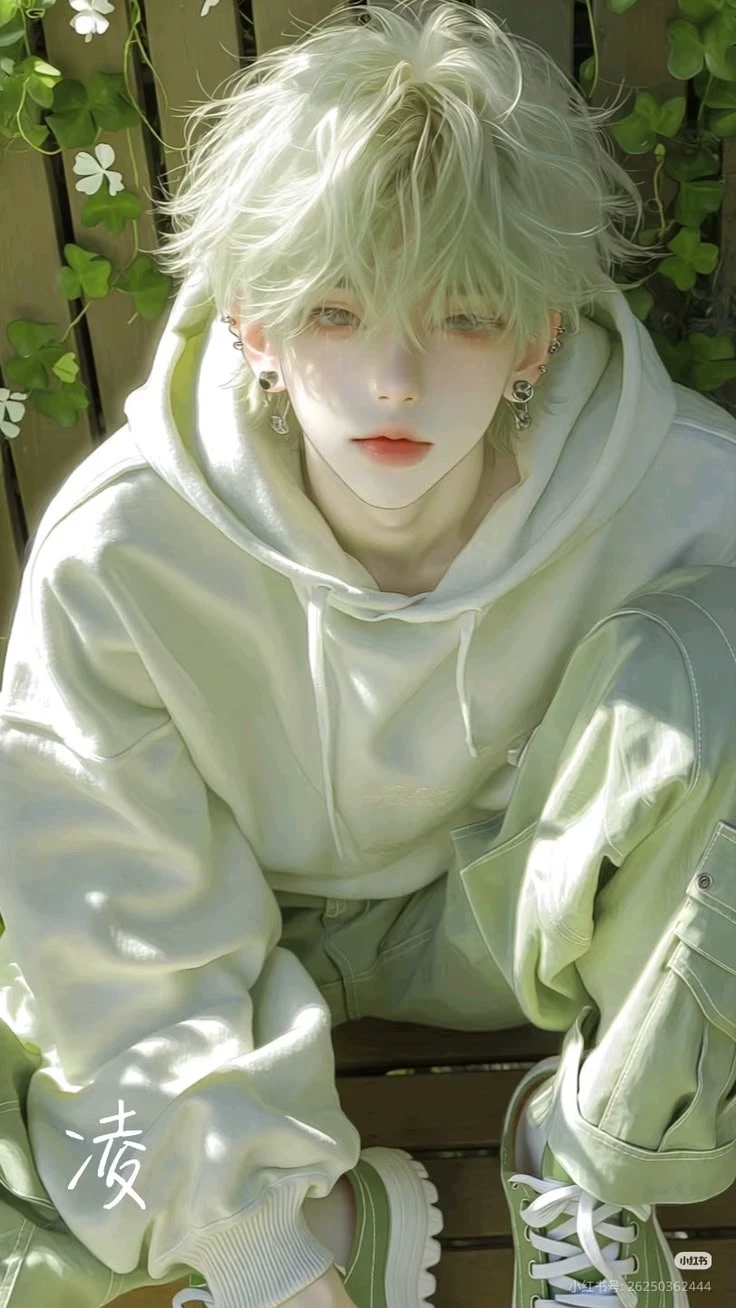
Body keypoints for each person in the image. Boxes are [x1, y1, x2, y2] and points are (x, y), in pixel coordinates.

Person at [1, 2, 735, 1307]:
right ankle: (331, 1220)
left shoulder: (688, 491)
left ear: (537, 334)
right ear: (252, 324)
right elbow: (108, 901)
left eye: (462, 317)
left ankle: (588, 1170)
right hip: (232, 927)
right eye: (336, 313)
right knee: (55, 1122)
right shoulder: (120, 546)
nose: (395, 378)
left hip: (522, 926)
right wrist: (267, 1259)